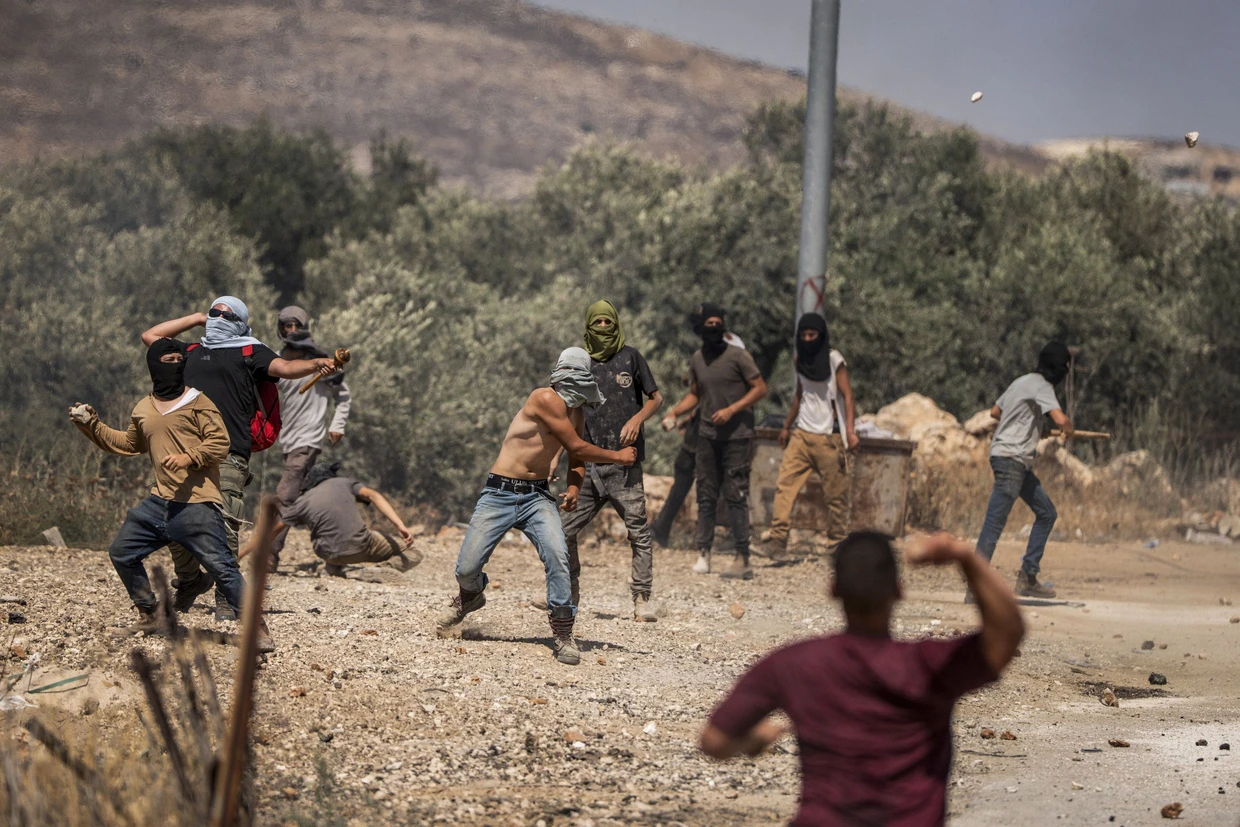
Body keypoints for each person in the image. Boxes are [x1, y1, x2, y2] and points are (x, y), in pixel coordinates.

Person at [700, 531, 1024, 826]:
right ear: (899, 591)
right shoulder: (927, 666)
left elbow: (714, 741)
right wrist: (963, 556)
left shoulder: (795, 664)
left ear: (832, 590)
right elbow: (1007, 634)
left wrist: (751, 741)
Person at [140, 296, 339, 619]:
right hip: (184, 454)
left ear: (241, 322)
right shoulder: (190, 351)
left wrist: (317, 364)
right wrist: (195, 317)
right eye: (214, 311)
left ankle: (225, 595)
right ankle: (191, 580)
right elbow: (150, 337)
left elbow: (286, 368)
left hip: (229, 452)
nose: (217, 316)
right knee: (172, 521)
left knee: (226, 523)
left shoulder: (250, 351)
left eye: (225, 313)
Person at [68, 339, 273, 651]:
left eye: (180, 359)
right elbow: (128, 444)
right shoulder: (144, 408)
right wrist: (92, 425)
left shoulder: (199, 402)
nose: (176, 364)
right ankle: (151, 615)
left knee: (223, 568)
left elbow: (220, 443)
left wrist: (189, 457)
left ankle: (258, 630)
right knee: (122, 551)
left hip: (197, 505)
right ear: (154, 365)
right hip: (159, 503)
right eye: (169, 359)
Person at [436, 347, 637, 665]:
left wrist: (573, 487)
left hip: (537, 497)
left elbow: (576, 458)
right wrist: (618, 456)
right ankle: (471, 595)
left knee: (558, 555)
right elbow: (576, 446)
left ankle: (563, 632)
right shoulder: (543, 398)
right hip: (499, 492)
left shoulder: (577, 410)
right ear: (559, 376)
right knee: (466, 568)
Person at [556, 301, 662, 622]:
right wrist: (557, 456)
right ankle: (567, 592)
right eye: (597, 322)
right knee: (562, 531)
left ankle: (642, 599)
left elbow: (656, 399)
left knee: (638, 533)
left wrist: (638, 419)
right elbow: (564, 411)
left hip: (625, 466)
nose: (603, 327)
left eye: (608, 322)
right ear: (588, 326)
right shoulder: (581, 361)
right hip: (585, 465)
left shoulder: (631, 357)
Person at [662, 304, 767, 579]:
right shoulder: (698, 359)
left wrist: (733, 410)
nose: (714, 328)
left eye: (717, 323)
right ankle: (704, 553)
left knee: (735, 494)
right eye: (708, 323)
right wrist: (675, 412)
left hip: (737, 436)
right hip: (707, 436)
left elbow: (760, 388)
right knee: (705, 494)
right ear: (700, 329)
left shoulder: (739, 356)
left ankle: (742, 556)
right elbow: (696, 394)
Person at [973, 341, 1074, 599]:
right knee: (994, 524)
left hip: (1009, 459)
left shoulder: (1021, 382)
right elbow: (1061, 420)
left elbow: (996, 412)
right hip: (1012, 460)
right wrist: (1067, 427)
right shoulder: (1043, 386)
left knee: (1047, 513)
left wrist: (1030, 423)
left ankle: (1028, 577)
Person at [763, 313, 858, 558]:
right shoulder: (799, 359)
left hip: (828, 437)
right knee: (785, 486)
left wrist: (850, 430)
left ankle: (837, 543)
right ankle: (778, 540)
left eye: (812, 335)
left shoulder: (834, 359)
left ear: (821, 335)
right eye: (803, 335)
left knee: (836, 495)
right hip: (801, 435)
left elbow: (847, 395)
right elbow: (800, 394)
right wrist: (786, 426)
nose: (807, 339)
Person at [268, 305, 352, 571]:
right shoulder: (278, 359)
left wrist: (337, 424)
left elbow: (343, 395)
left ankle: (269, 555)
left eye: (296, 325)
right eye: (286, 326)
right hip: (288, 436)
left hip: (309, 436)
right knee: (310, 496)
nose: (291, 330)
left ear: (304, 325)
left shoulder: (322, 361)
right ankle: (339, 552)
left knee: (284, 495)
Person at [652, 313, 747, 548]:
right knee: (686, 471)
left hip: (721, 427)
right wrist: (689, 415)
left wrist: (683, 413)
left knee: (722, 480)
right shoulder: (709, 351)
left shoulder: (731, 349)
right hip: (703, 422)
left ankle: (733, 537)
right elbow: (704, 392)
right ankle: (663, 528)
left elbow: (721, 392)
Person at [243, 461, 419, 578]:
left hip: (327, 553)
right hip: (362, 545)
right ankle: (376, 572)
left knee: (329, 536)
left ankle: (333, 567)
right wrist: (400, 525)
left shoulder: (301, 502)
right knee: (414, 553)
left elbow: (268, 535)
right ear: (330, 476)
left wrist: (238, 555)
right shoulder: (344, 483)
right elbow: (373, 495)